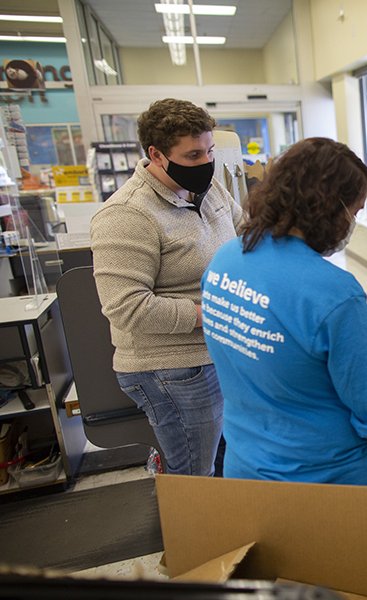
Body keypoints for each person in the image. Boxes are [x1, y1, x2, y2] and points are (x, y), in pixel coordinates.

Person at [201, 137, 367, 486]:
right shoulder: (333, 293)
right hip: (326, 480)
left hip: (245, 467)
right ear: (329, 209)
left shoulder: (225, 260)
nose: (352, 222)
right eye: (354, 211)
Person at [91, 99, 242, 477]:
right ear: (156, 155)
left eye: (209, 151)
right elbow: (127, 308)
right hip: (172, 369)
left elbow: (246, 233)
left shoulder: (213, 193)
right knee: (193, 474)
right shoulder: (127, 215)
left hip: (216, 352)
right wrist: (211, 315)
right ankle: (192, 534)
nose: (205, 162)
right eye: (192, 155)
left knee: (227, 459)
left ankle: (226, 529)